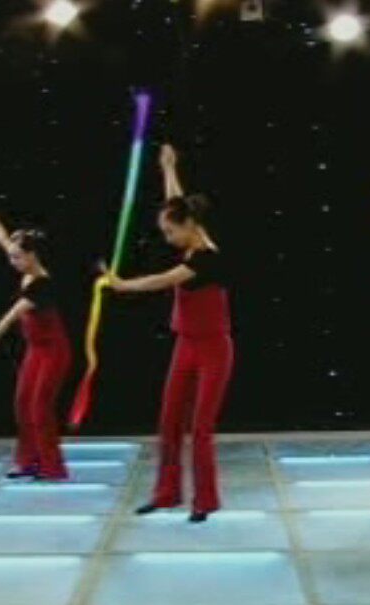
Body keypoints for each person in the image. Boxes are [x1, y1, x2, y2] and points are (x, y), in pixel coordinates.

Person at [102, 144, 233, 523]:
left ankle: (204, 501)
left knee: (201, 428)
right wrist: (169, 167)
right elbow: (176, 201)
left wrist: (122, 285)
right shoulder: (189, 227)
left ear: (189, 226)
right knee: (169, 421)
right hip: (185, 346)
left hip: (213, 350)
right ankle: (166, 493)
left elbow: (161, 280)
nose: (166, 237)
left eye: (169, 231)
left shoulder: (207, 258)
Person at [0, 198, 72, 480]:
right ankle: (28, 461)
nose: (11, 261)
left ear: (32, 255)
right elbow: (0, 236)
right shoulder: (23, 264)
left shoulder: (42, 283)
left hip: (54, 352)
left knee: (40, 407)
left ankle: (52, 468)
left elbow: (11, 316)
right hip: (35, 350)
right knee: (23, 403)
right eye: (10, 256)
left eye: (16, 257)